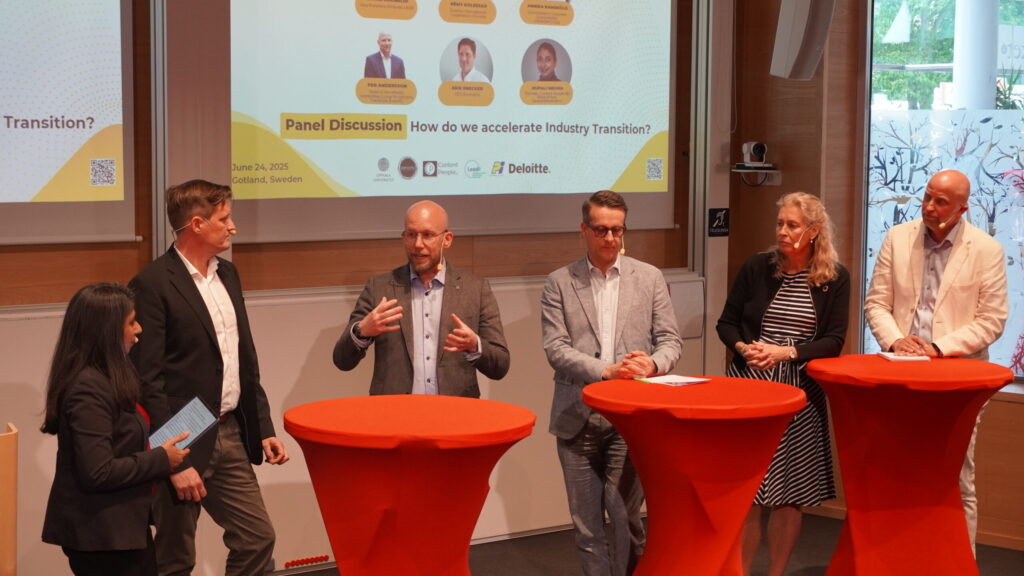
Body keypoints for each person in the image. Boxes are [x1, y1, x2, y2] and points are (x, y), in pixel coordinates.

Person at [130, 179, 289, 576]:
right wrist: (170, 460)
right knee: (175, 558)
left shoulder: (228, 275)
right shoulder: (152, 284)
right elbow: (147, 380)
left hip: (229, 427)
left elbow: (243, 358)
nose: (232, 227)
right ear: (197, 225)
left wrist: (263, 425)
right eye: (225, 218)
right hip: (181, 433)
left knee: (257, 538)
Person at [865, 168, 1008, 552]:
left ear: (962, 208)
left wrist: (940, 348)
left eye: (940, 201)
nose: (929, 207)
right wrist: (897, 342)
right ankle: (901, 558)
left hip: (958, 380)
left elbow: (992, 320)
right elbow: (877, 303)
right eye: (927, 197)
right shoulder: (897, 238)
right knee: (897, 473)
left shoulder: (986, 249)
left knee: (956, 478)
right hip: (899, 376)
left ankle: (959, 562)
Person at [541, 190, 682, 576]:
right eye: (601, 230)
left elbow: (671, 341)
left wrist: (651, 363)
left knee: (626, 522)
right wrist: (606, 371)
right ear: (584, 230)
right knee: (587, 530)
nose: (610, 238)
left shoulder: (649, 277)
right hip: (576, 418)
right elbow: (556, 349)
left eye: (617, 230)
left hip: (630, 421)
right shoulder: (559, 283)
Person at [716, 191, 849, 576]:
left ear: (814, 231)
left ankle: (776, 573)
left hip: (799, 396)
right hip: (749, 388)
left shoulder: (834, 278)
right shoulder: (757, 267)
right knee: (749, 495)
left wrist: (784, 353)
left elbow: (833, 341)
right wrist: (743, 347)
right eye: (780, 224)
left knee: (789, 497)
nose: (783, 232)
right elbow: (726, 322)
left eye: (792, 225)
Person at [41, 283, 190, 576]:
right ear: (106, 331)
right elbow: (98, 471)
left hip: (121, 529)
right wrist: (162, 459)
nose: (139, 330)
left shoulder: (109, 376)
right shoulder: (87, 389)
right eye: (131, 322)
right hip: (101, 537)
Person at [333, 200, 510, 396]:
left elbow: (500, 366)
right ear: (403, 238)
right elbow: (342, 361)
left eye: (427, 235)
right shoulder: (379, 288)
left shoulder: (475, 290)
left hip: (456, 417)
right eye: (411, 234)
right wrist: (361, 332)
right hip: (394, 417)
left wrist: (475, 345)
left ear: (447, 239)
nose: (418, 244)